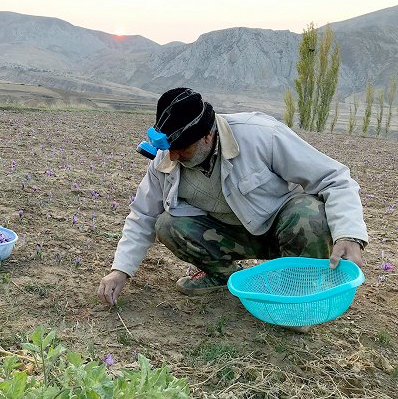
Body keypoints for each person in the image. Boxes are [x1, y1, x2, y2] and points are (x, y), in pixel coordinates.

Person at [98, 87, 368, 307]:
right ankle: (222, 275)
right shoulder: (165, 158)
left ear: (207, 136)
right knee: (167, 224)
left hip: (281, 229)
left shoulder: (261, 135)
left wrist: (348, 234)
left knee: (310, 213)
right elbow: (143, 215)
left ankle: (299, 291)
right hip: (228, 234)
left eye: (183, 149)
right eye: (170, 149)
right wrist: (120, 270)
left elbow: (335, 177)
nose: (174, 157)